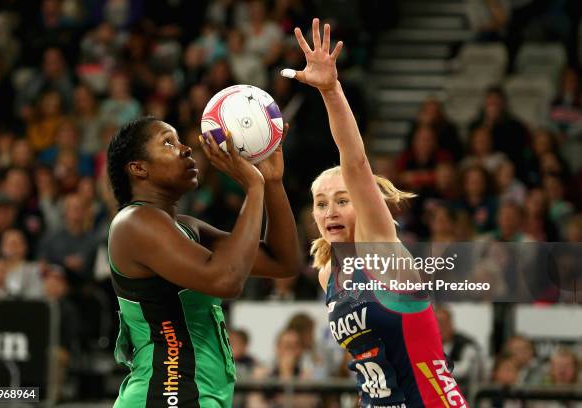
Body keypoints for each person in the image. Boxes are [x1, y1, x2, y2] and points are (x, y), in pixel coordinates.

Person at [283, 18, 468, 407]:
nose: (329, 210)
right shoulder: (326, 274)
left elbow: (355, 162)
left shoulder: (382, 252)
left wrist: (331, 91)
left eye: (342, 199)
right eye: (320, 203)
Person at [106, 117, 301, 407]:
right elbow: (226, 280)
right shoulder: (134, 222)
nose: (186, 149)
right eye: (168, 142)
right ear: (138, 168)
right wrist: (253, 187)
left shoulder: (185, 227)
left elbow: (282, 262)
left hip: (194, 392)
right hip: (166, 393)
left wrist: (271, 182)